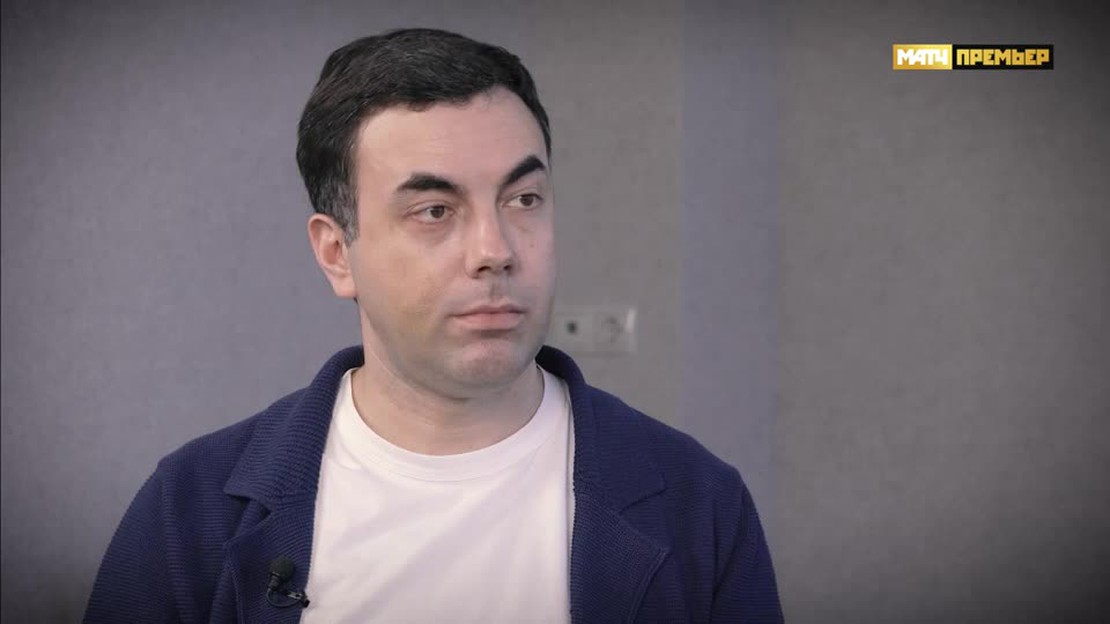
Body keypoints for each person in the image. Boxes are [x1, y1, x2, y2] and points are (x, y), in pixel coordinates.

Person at [84, 28, 782, 623]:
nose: (495, 250)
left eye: (523, 198)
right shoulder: (189, 512)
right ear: (337, 254)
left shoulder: (699, 503)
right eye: (435, 211)